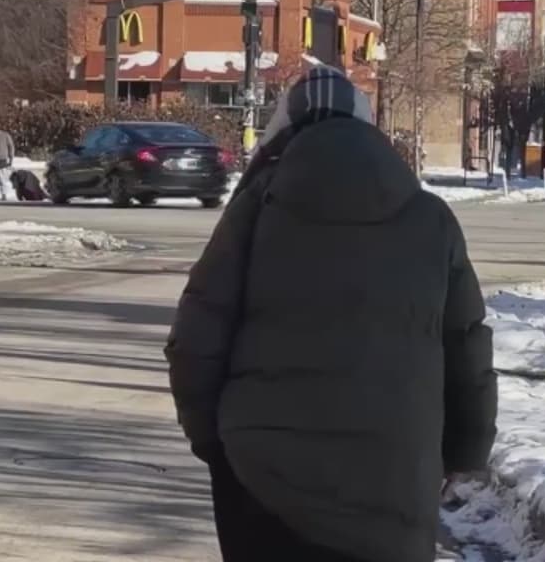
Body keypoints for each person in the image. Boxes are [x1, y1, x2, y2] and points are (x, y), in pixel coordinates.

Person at [164, 66, 497, 562]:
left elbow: (195, 339)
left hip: (263, 476)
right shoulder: (430, 219)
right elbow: (465, 343)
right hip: (395, 473)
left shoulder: (255, 209)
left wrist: (214, 440)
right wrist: (466, 450)